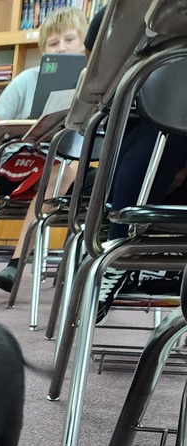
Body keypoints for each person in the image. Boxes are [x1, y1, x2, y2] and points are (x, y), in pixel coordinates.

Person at [0, 5, 89, 293]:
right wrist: (29, 127)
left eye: (70, 39)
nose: (61, 48)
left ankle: (91, 265)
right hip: (18, 168)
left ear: (85, 42)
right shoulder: (27, 80)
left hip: (67, 169)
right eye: (53, 42)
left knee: (98, 178)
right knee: (64, 170)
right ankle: (17, 262)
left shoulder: (94, 86)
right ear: (43, 48)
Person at [83, 7, 187, 321]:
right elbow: (96, 81)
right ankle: (119, 252)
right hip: (139, 155)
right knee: (164, 118)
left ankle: (123, 251)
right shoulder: (118, 14)